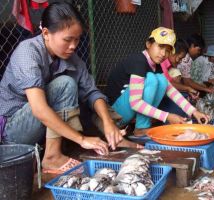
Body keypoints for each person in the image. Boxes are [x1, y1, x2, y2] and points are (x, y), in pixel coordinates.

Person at [0, 2, 129, 174]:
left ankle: (111, 137)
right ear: (46, 33)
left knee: (91, 103)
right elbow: (39, 110)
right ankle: (52, 158)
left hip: (38, 128)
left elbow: (92, 92)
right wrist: (82, 139)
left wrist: (107, 122)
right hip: (13, 132)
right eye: (68, 39)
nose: (73, 46)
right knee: (65, 85)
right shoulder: (28, 52)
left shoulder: (70, 57)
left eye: (77, 39)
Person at [105, 27, 209, 136]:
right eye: (160, 47)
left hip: (126, 114)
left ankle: (141, 126)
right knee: (152, 79)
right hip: (115, 116)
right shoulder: (138, 61)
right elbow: (135, 103)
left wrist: (194, 112)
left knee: (162, 81)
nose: (163, 53)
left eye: (168, 50)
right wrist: (167, 116)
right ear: (148, 44)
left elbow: (171, 91)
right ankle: (141, 128)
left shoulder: (156, 65)